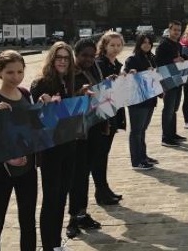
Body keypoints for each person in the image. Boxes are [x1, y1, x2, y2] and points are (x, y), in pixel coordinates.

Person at [0, 50, 37, 251]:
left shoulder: (26, 94)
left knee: (28, 220)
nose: (16, 77)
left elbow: (34, 128)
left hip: (27, 169)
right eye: (10, 72)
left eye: (20, 72)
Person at [30, 41, 77, 251]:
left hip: (68, 144)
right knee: (51, 196)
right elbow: (35, 115)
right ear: (52, 59)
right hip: (50, 148)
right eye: (59, 57)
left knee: (62, 195)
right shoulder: (42, 83)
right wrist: (42, 103)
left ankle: (56, 243)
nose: (63, 62)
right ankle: (48, 245)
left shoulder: (68, 81)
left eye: (66, 58)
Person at [66, 39, 103, 239]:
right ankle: (73, 217)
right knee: (76, 175)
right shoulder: (70, 74)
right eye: (84, 55)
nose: (88, 59)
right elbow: (66, 100)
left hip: (94, 128)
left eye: (91, 55)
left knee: (85, 173)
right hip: (77, 133)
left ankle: (82, 212)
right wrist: (78, 94)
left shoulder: (94, 69)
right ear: (76, 54)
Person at [93, 32, 124, 205]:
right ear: (104, 45)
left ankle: (104, 188)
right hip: (102, 113)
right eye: (112, 45)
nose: (115, 48)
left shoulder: (117, 64)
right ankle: (101, 190)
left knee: (104, 154)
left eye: (118, 45)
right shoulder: (99, 64)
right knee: (99, 154)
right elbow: (97, 87)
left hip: (113, 111)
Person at [124, 34, 159, 169]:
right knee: (136, 131)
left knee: (143, 129)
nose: (147, 45)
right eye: (144, 42)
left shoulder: (152, 58)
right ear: (139, 44)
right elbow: (127, 75)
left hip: (150, 99)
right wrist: (134, 72)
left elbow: (156, 77)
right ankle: (136, 160)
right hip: (137, 100)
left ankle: (143, 156)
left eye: (149, 43)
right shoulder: (132, 59)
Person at [157, 21, 188, 147]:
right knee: (168, 109)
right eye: (175, 30)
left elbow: (180, 57)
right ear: (169, 30)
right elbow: (158, 62)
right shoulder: (163, 44)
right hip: (168, 80)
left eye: (179, 30)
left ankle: (172, 133)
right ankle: (166, 137)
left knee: (174, 108)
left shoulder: (178, 44)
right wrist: (172, 60)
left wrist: (187, 58)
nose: (177, 32)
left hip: (177, 79)